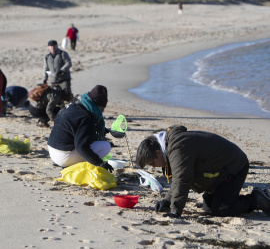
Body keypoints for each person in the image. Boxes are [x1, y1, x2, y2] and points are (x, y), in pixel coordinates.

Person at [136, 125, 270, 218]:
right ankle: (231, 198)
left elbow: (182, 179)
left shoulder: (178, 148)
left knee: (222, 210)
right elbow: (178, 178)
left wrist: (175, 211)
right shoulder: (169, 146)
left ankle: (256, 199)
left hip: (234, 167)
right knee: (208, 207)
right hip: (219, 170)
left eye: (152, 163)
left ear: (158, 153)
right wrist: (167, 200)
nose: (153, 167)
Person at [47, 85, 113, 173]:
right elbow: (81, 146)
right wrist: (100, 163)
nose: (102, 111)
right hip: (62, 156)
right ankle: (73, 166)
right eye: (102, 108)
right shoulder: (86, 117)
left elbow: (71, 127)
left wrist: (103, 130)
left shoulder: (73, 105)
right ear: (99, 106)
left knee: (90, 143)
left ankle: (70, 163)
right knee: (105, 146)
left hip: (52, 150)